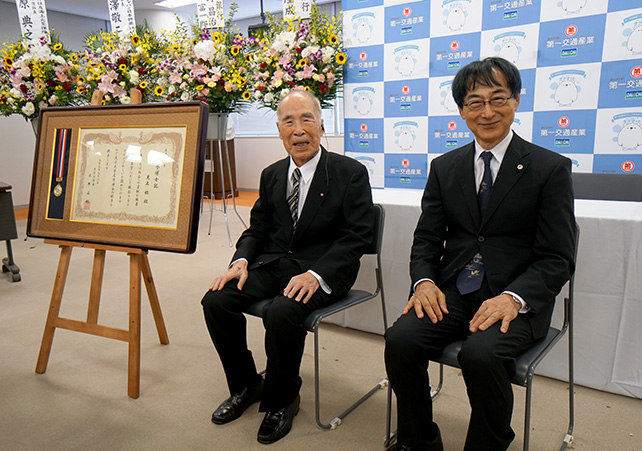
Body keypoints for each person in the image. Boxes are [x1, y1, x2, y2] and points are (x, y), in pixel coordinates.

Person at [384, 57, 576, 451]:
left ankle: (489, 444)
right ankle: (418, 441)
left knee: (481, 356)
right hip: (456, 287)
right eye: (475, 102)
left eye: (498, 98)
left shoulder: (550, 168)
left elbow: (558, 257)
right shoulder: (445, 167)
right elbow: (426, 239)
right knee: (400, 339)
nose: (487, 112)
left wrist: (514, 297)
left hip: (516, 296)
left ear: (516, 100)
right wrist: (423, 282)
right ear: (461, 111)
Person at [201, 90, 374, 445]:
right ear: (279, 131)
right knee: (216, 300)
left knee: (282, 311)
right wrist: (240, 261)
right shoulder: (272, 174)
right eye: (289, 122)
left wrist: (316, 274)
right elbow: (259, 228)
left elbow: (358, 236)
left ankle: (282, 400)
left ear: (322, 126)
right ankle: (248, 385)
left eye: (306, 119)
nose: (299, 130)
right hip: (275, 262)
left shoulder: (349, 173)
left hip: (323, 270)